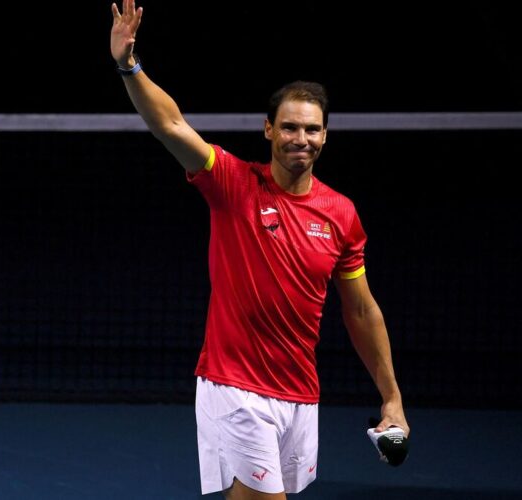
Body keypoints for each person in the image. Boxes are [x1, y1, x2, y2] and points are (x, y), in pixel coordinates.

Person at [110, 1, 410, 498]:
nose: (301, 138)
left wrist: (392, 398)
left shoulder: (341, 214)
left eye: (312, 129)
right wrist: (128, 65)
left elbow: (359, 309)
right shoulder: (231, 183)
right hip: (235, 386)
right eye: (289, 127)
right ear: (268, 129)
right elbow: (171, 124)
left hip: (299, 393)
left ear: (325, 136)